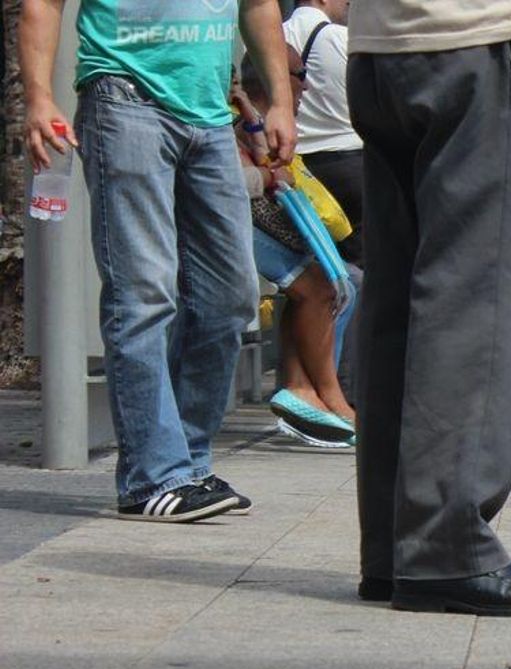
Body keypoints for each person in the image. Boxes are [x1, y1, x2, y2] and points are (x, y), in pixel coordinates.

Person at [347, 0, 511, 616]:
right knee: (481, 292)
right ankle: (445, 548)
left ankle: (395, 550)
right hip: (486, 37)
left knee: (399, 304)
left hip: (380, 48)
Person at [20, 0, 296, 522]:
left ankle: (187, 465)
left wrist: (280, 103)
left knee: (232, 296)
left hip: (211, 115)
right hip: (125, 99)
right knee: (142, 292)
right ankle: (154, 475)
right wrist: (39, 96)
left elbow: (259, 6)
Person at [233, 49, 357, 447]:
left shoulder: (254, 117)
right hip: (234, 221)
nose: (306, 82)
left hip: (247, 219)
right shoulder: (228, 117)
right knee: (321, 286)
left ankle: (305, 388)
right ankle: (325, 393)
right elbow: (227, 179)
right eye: (298, 73)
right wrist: (268, 177)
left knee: (329, 283)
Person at [283, 0, 365, 409]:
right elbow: (366, 105)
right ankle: (342, 388)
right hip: (348, 165)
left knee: (311, 273)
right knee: (355, 279)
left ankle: (306, 385)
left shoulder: (277, 36)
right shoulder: (337, 39)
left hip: (300, 171)